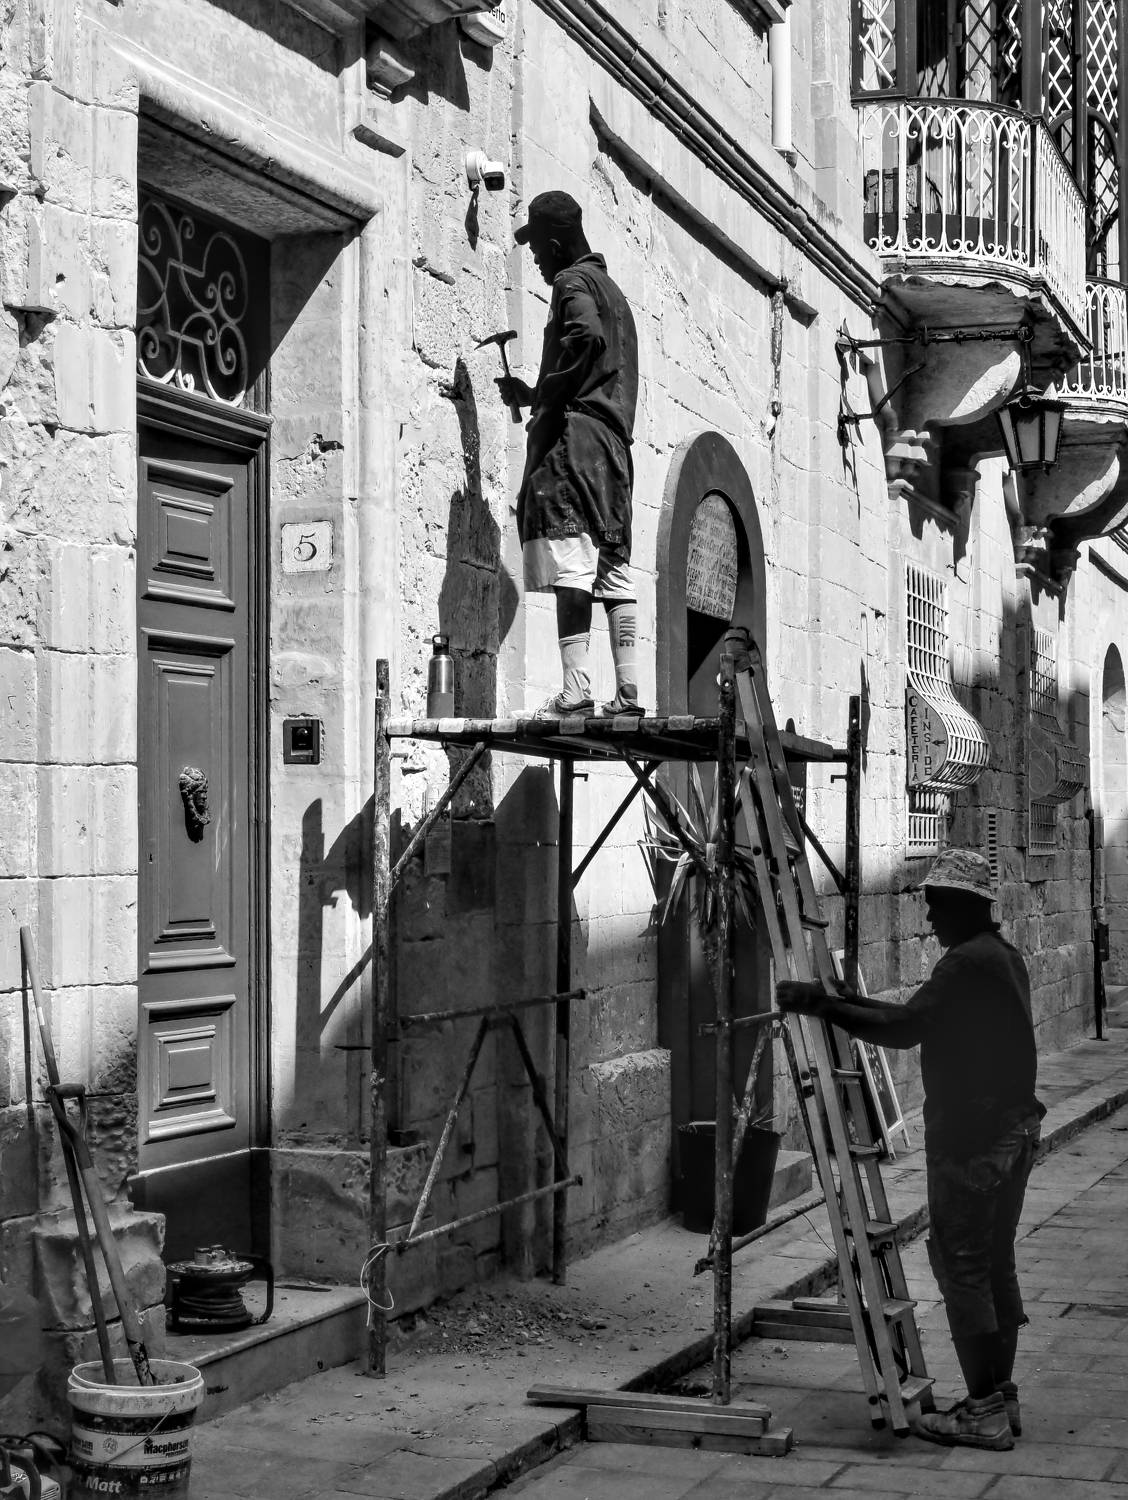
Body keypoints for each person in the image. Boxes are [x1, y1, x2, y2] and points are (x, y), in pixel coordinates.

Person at [777, 848, 1045, 1452]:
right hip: (1011, 1132)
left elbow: (904, 1030)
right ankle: (999, 1396)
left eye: (936, 905)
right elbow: (916, 1015)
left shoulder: (966, 963)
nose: (929, 917)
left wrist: (822, 1006)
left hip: (977, 1144)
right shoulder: (998, 956)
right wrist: (839, 1002)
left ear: (964, 906)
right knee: (993, 1264)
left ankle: (983, 1412)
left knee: (963, 1269)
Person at [498, 191, 642, 719]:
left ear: (557, 245)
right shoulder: (616, 294)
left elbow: (585, 338)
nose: (536, 261)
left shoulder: (570, 282)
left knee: (572, 566)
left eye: (538, 249)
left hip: (576, 444)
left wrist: (549, 398)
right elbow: (598, 365)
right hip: (614, 450)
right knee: (613, 568)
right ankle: (628, 694)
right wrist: (535, 392)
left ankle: (576, 690)